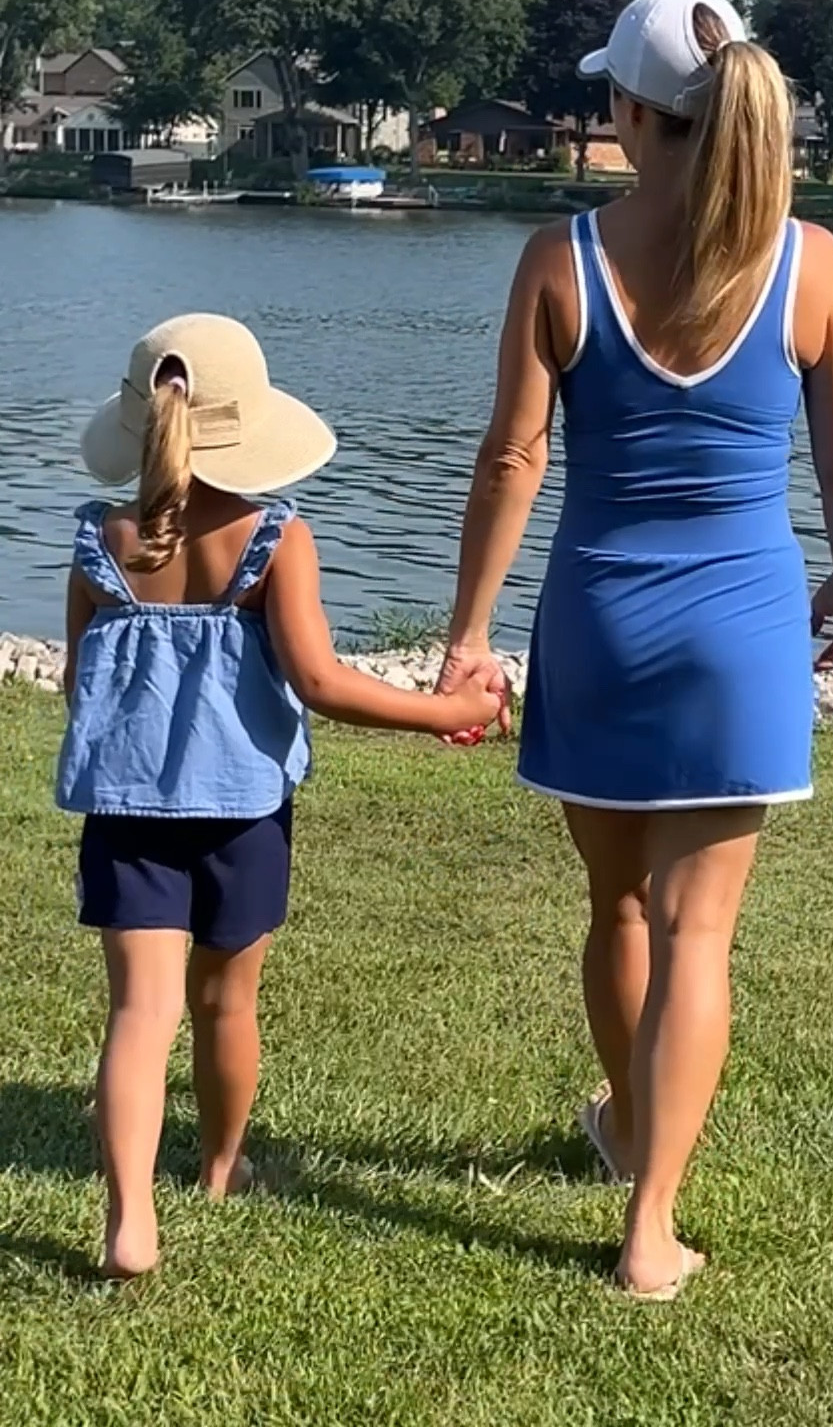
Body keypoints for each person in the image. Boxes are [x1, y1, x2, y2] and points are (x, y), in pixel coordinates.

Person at [438, 0, 833, 1299]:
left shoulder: (559, 257)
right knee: (700, 936)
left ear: (632, 113)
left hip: (601, 626)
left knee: (618, 904)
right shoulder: (813, 262)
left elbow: (514, 457)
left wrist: (467, 632)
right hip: (742, 636)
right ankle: (650, 1226)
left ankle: (630, 1134)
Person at [58, 313, 503, 1279]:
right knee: (225, 1004)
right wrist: (445, 711)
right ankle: (221, 1168)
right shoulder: (275, 537)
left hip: (127, 810)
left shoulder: (100, 541)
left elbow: (77, 683)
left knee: (140, 1014)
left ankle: (129, 1222)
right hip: (244, 809)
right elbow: (321, 681)